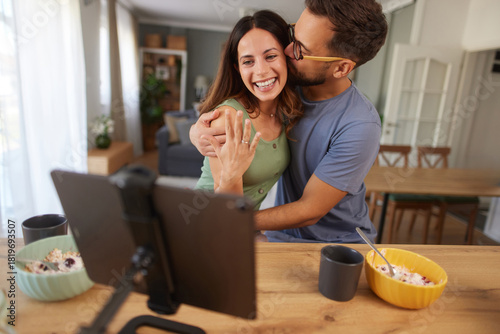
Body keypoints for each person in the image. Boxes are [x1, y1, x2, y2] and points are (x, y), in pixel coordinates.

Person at [190, 0, 388, 243]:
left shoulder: (360, 125)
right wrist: (197, 131)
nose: (286, 51)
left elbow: (310, 210)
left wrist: (238, 221)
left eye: (300, 49)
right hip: (280, 234)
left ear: (341, 68)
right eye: (293, 35)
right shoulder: (287, 86)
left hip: (335, 242)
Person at [194, 10, 303, 213]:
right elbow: (228, 209)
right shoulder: (227, 118)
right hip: (210, 223)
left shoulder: (286, 110)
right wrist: (232, 175)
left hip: (244, 225)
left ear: (287, 57)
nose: (261, 71)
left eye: (270, 56)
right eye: (248, 61)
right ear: (237, 68)